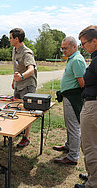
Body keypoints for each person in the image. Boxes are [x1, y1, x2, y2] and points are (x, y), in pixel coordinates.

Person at [53, 36, 86, 165]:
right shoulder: (72, 59)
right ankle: (69, 145)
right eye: (62, 48)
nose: (63, 51)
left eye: (65, 48)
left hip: (73, 98)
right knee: (69, 124)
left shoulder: (77, 60)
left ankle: (73, 156)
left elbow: (82, 83)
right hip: (68, 96)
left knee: (73, 126)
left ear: (74, 47)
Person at [75, 25, 97, 188]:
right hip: (91, 104)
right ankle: (92, 175)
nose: (82, 47)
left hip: (93, 106)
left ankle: (93, 183)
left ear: (94, 41)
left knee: (90, 146)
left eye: (84, 43)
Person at [9, 28, 37, 148]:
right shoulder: (14, 50)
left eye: (10, 37)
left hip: (27, 85)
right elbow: (17, 68)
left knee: (27, 111)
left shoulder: (27, 52)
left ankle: (26, 137)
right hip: (18, 84)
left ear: (16, 39)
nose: (9, 40)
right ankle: (19, 131)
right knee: (17, 108)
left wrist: (21, 76)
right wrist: (14, 80)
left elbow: (31, 69)